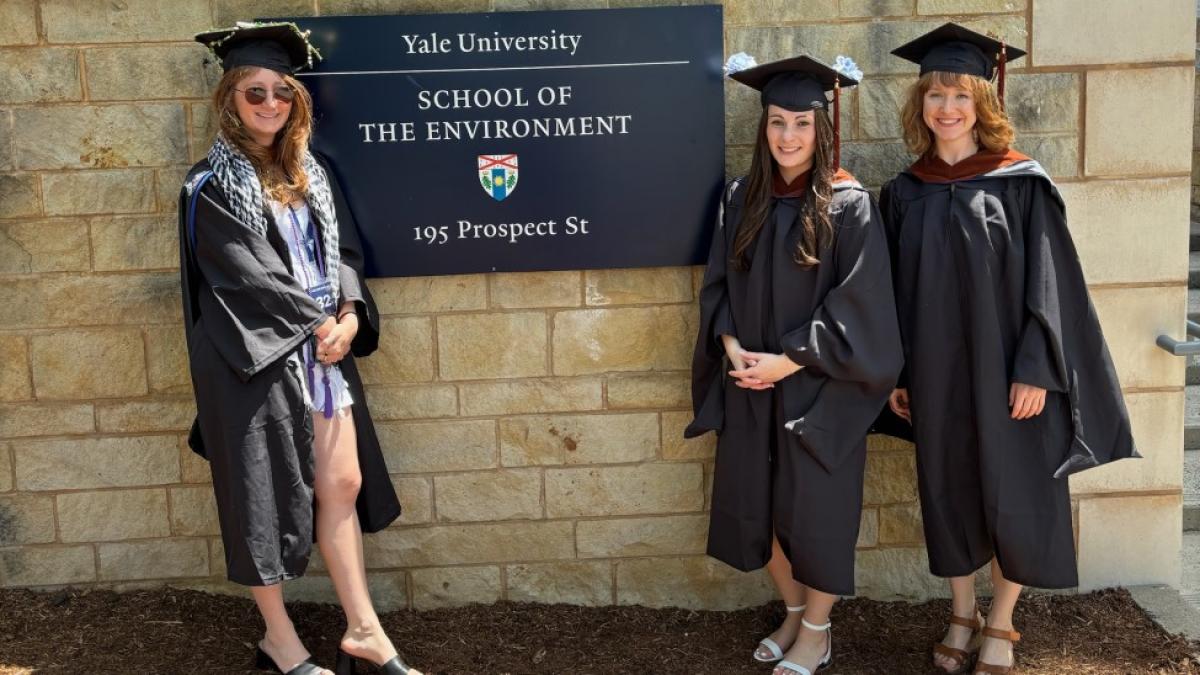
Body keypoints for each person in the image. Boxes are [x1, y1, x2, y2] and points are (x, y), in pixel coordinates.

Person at [881, 23, 1138, 675]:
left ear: (982, 102)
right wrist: (898, 374)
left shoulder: (1021, 184)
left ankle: (1002, 620)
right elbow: (889, 296)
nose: (947, 107)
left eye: (960, 95)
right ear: (922, 105)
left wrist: (1037, 370)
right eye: (936, 95)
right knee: (949, 489)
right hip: (936, 377)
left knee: (1018, 491)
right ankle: (962, 611)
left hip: (1009, 376)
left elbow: (1051, 284)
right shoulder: (903, 193)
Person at [181, 22, 420, 675]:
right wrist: (321, 326)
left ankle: (365, 629)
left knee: (342, 480)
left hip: (321, 350)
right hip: (254, 360)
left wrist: (350, 311)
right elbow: (246, 275)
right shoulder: (210, 185)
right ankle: (280, 640)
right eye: (255, 91)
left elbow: (341, 253)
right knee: (260, 496)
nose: (269, 104)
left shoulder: (309, 171)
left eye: (282, 92)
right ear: (230, 96)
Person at [686, 53, 903, 675]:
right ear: (763, 127)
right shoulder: (740, 197)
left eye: (801, 124)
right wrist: (732, 352)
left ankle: (817, 628)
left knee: (818, 516)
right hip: (750, 382)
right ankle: (791, 609)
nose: (787, 136)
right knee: (763, 507)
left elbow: (862, 308)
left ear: (821, 127)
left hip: (821, 392)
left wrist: (787, 362)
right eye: (777, 122)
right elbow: (717, 288)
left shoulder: (849, 205)